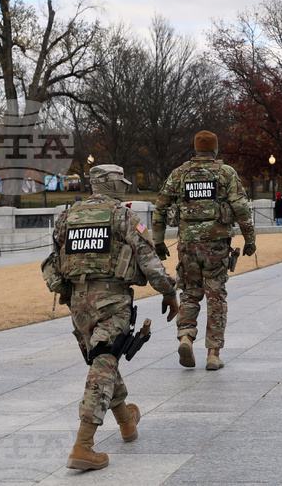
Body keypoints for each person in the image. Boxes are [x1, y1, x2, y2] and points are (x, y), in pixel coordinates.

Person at [41, 164, 179, 471]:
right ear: (114, 184)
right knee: (104, 364)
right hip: (113, 299)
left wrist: (68, 294)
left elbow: (53, 260)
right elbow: (149, 261)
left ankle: (127, 423)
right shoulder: (122, 215)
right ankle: (83, 445)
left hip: (78, 302)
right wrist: (169, 292)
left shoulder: (67, 216)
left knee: (104, 359)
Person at [152, 131, 255, 370]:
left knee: (189, 293)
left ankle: (186, 337)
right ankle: (213, 354)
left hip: (187, 245)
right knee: (216, 296)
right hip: (217, 246)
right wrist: (250, 239)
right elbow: (240, 207)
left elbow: (159, 207)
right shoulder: (225, 173)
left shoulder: (179, 174)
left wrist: (158, 242)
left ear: (196, 150)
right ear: (215, 150)